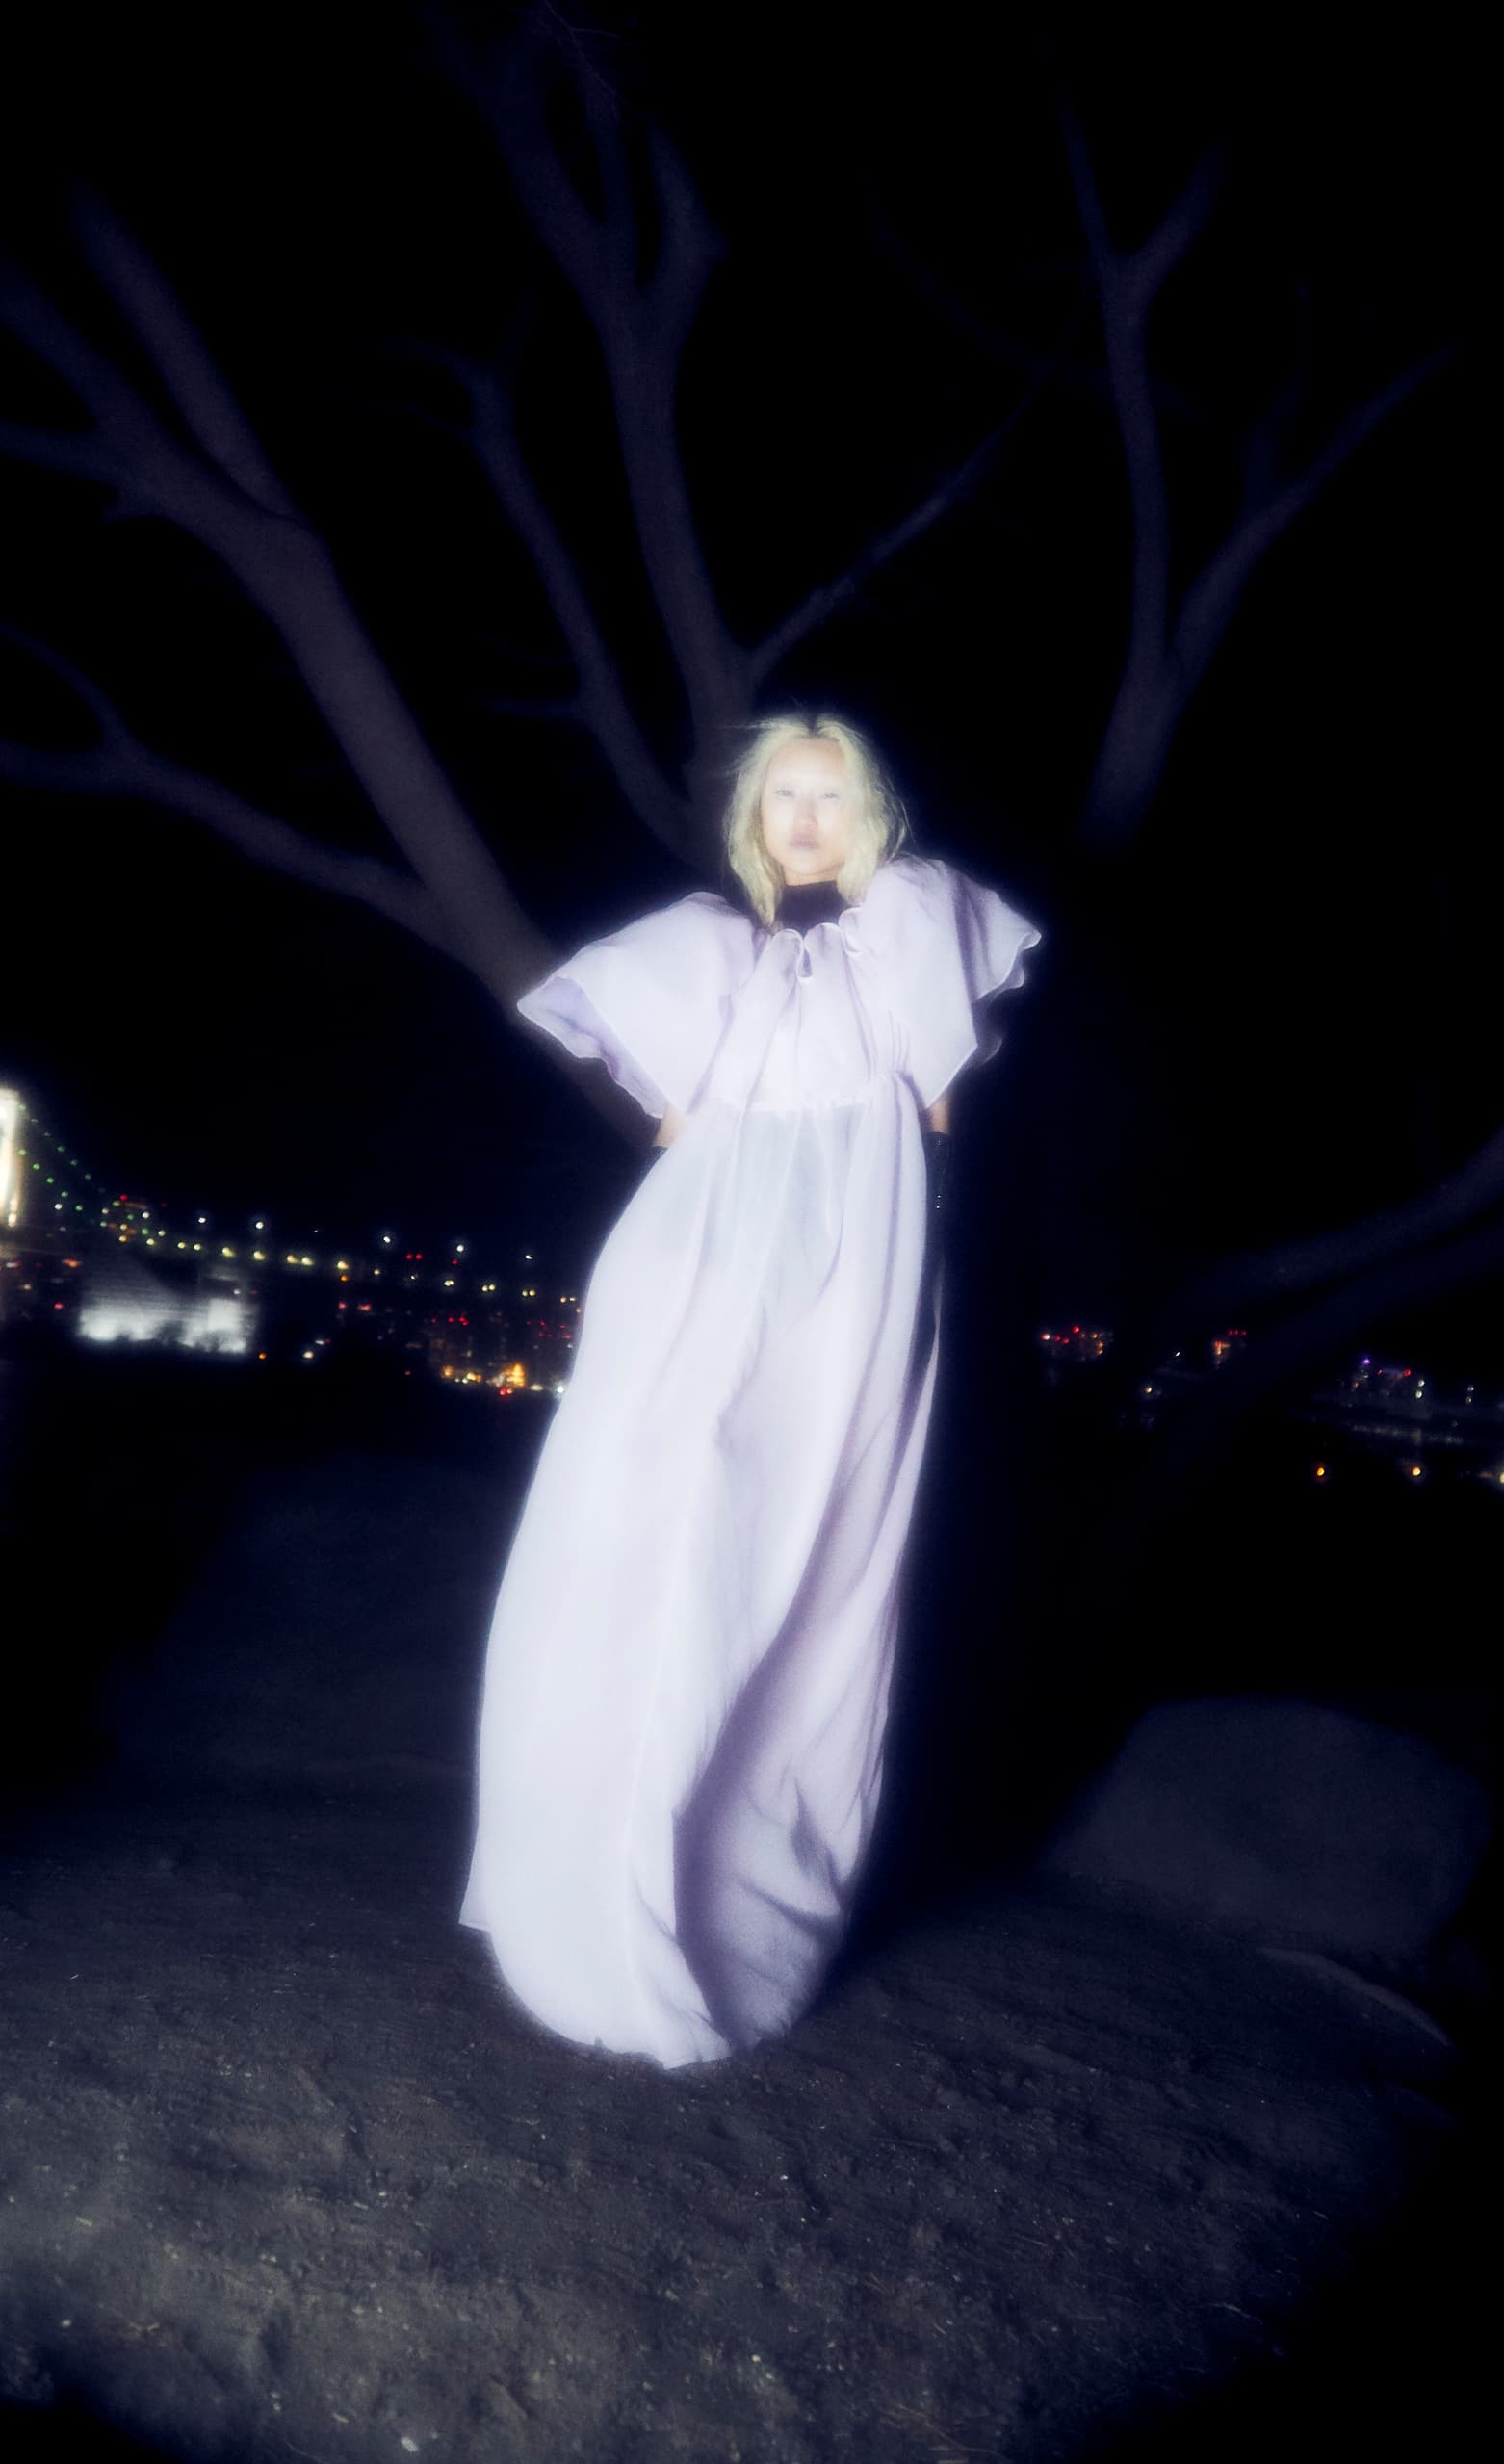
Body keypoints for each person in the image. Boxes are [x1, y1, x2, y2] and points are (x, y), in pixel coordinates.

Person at [460, 713, 1040, 2067]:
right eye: (782, 791)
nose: (803, 814)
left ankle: (725, 1897)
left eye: (830, 793)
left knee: (793, 1552)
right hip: (696, 1260)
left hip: (849, 1269)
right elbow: (675, 1131)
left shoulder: (914, 931)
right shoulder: (696, 953)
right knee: (635, 1529)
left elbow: (942, 1113)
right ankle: (588, 1895)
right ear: (750, 813)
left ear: (870, 812)